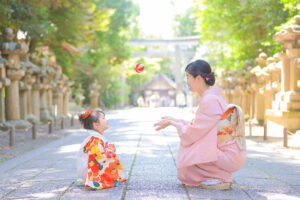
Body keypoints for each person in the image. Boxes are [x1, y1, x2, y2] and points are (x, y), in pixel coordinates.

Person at [154, 60, 246, 190]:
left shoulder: (209, 100)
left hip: (228, 156)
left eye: (188, 77)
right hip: (227, 152)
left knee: (191, 149)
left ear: (198, 78)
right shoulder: (212, 97)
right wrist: (175, 121)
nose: (187, 82)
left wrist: (175, 123)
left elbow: (194, 132)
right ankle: (215, 176)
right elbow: (199, 126)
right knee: (187, 166)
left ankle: (221, 177)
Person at [77, 109, 126, 190]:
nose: (106, 120)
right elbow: (98, 157)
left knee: (111, 156)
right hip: (89, 170)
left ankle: (107, 177)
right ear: (96, 124)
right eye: (103, 118)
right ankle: (99, 180)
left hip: (89, 167)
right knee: (110, 157)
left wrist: (109, 149)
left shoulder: (96, 137)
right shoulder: (94, 139)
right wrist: (110, 151)